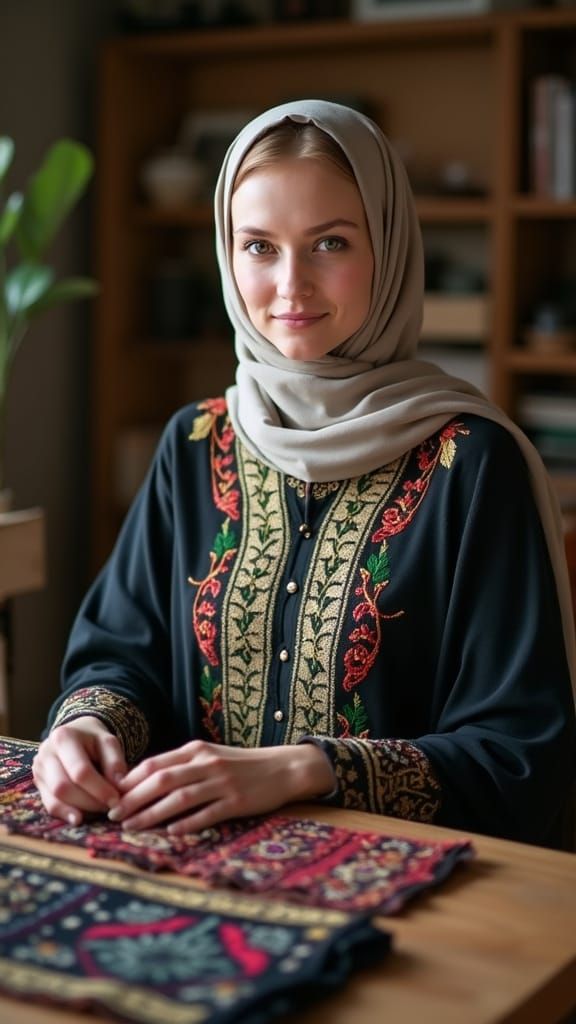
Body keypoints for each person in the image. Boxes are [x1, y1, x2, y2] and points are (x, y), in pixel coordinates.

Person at [33, 99, 576, 850]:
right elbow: (123, 654)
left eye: (329, 242)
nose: (290, 286)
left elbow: (521, 756)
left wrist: (305, 770)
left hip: (416, 896)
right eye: (258, 246)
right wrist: (88, 724)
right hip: (187, 869)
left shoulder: (471, 463)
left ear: (388, 246)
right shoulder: (197, 441)